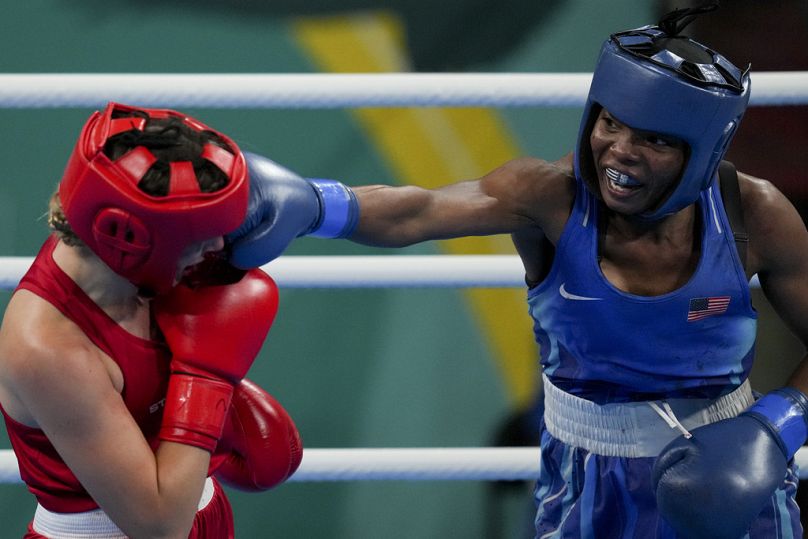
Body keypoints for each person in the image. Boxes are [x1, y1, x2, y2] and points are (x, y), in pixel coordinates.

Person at [225, 4, 808, 538]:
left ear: (702, 153)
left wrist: (776, 427)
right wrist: (317, 203)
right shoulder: (549, 197)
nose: (620, 151)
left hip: (731, 471)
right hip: (588, 483)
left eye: (653, 139)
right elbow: (418, 209)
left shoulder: (753, 213)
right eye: (610, 123)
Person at [0, 102, 302, 538]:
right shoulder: (47, 347)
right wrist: (206, 379)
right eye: (198, 237)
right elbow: (160, 526)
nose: (216, 243)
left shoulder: (139, 256)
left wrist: (327, 205)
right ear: (131, 239)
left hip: (206, 513)